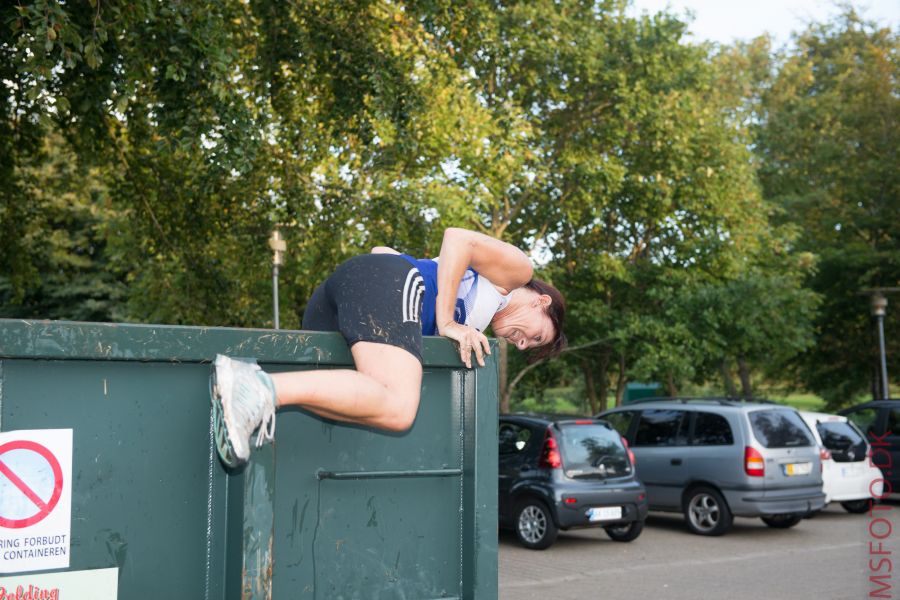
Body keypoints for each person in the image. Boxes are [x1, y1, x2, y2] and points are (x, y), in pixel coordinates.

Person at [210, 227, 566, 468]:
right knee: (399, 407)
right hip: (378, 284)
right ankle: (255, 388)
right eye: (535, 337)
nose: (521, 344)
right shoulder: (517, 272)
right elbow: (457, 238)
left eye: (527, 346)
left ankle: (253, 401)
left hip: (342, 303)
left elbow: (383, 253)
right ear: (542, 303)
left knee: (380, 409)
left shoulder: (477, 317)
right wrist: (447, 322)